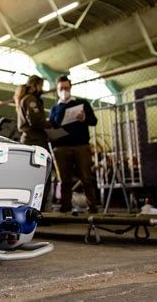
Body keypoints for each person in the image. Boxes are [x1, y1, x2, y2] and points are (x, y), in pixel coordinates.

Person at [49, 76, 98, 213]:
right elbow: (52, 127)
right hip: (61, 148)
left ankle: (92, 207)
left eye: (66, 88)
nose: (64, 91)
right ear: (57, 90)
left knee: (86, 178)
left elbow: (93, 121)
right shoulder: (54, 109)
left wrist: (84, 118)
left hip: (80, 146)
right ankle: (66, 207)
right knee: (64, 180)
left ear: (70, 88)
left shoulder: (82, 103)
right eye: (61, 89)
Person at [14, 75, 52, 211]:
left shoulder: (23, 99)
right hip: (36, 142)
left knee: (30, 177)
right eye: (41, 86)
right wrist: (51, 125)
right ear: (34, 85)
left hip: (28, 141)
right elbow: (36, 121)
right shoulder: (31, 99)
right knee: (43, 177)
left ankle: (27, 209)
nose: (41, 89)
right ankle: (39, 211)